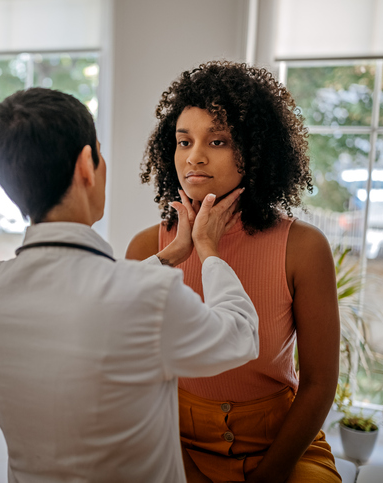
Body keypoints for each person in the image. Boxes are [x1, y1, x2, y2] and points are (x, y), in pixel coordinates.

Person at [0, 87, 260, 482]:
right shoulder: (147, 294)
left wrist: (171, 256)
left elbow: (91, 296)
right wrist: (208, 250)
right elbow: (241, 335)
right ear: (87, 165)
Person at [126, 61, 341, 483]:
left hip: (282, 444)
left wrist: (269, 475)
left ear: (257, 149)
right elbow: (134, 375)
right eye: (183, 141)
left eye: (218, 140)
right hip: (175, 441)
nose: (194, 157)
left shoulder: (303, 248)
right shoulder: (147, 248)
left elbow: (318, 384)